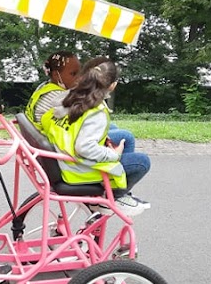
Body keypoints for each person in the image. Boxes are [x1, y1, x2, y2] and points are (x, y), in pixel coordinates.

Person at [41, 58, 152, 217]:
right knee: (143, 162)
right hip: (77, 168)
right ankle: (115, 196)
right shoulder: (96, 111)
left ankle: (119, 192)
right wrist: (114, 154)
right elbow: (84, 147)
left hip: (63, 154)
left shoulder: (69, 96)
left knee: (126, 137)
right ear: (112, 85)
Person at [24, 51, 81, 128]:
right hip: (47, 137)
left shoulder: (43, 87)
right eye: (73, 74)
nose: (79, 77)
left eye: (80, 73)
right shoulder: (59, 96)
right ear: (56, 75)